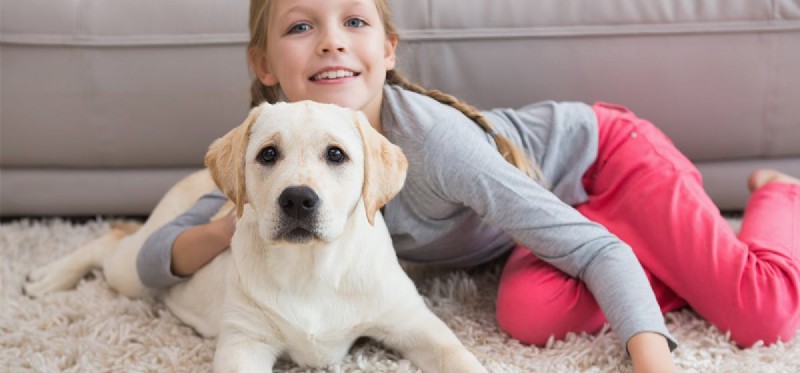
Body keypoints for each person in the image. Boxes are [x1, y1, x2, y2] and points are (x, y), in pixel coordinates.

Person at [136, 0, 800, 371]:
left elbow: (597, 252)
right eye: (301, 26)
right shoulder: (271, 155)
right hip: (540, 222)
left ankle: (779, 194)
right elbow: (152, 257)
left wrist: (651, 363)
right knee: (525, 316)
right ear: (264, 63)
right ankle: (667, 265)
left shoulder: (435, 145)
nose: (331, 44)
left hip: (608, 164)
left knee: (759, 307)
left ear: (388, 50)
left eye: (354, 22)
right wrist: (233, 222)